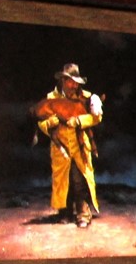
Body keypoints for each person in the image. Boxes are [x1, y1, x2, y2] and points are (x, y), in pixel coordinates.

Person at [35, 63, 102, 227]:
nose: (74, 85)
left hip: (79, 146)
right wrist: (51, 122)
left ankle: (83, 214)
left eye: (76, 82)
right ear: (63, 81)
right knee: (63, 181)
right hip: (60, 148)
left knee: (80, 179)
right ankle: (64, 213)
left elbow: (97, 118)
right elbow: (41, 123)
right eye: (71, 81)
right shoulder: (51, 98)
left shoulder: (86, 97)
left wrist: (79, 120)